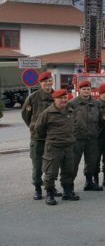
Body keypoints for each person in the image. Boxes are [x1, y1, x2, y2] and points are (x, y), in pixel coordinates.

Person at [34, 89, 78, 205]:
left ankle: (67, 193)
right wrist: (52, 139)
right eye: (61, 98)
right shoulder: (47, 113)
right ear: (55, 99)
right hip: (53, 147)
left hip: (68, 146)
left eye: (65, 98)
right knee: (51, 172)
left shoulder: (70, 111)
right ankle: (50, 194)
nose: (64, 100)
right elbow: (38, 130)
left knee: (68, 171)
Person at [21, 71, 55, 200]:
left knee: (52, 165)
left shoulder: (57, 96)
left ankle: (50, 187)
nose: (48, 83)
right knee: (37, 165)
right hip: (38, 138)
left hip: (53, 137)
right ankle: (38, 188)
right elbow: (25, 115)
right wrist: (33, 127)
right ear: (40, 83)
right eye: (45, 81)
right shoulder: (33, 97)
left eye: (50, 81)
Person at [67, 80, 103, 191]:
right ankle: (69, 185)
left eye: (88, 89)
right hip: (77, 138)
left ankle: (89, 182)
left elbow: (101, 120)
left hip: (92, 138)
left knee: (92, 161)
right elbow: (67, 121)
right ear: (79, 90)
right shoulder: (72, 103)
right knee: (73, 162)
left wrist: (96, 131)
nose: (86, 91)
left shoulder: (97, 103)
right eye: (84, 89)